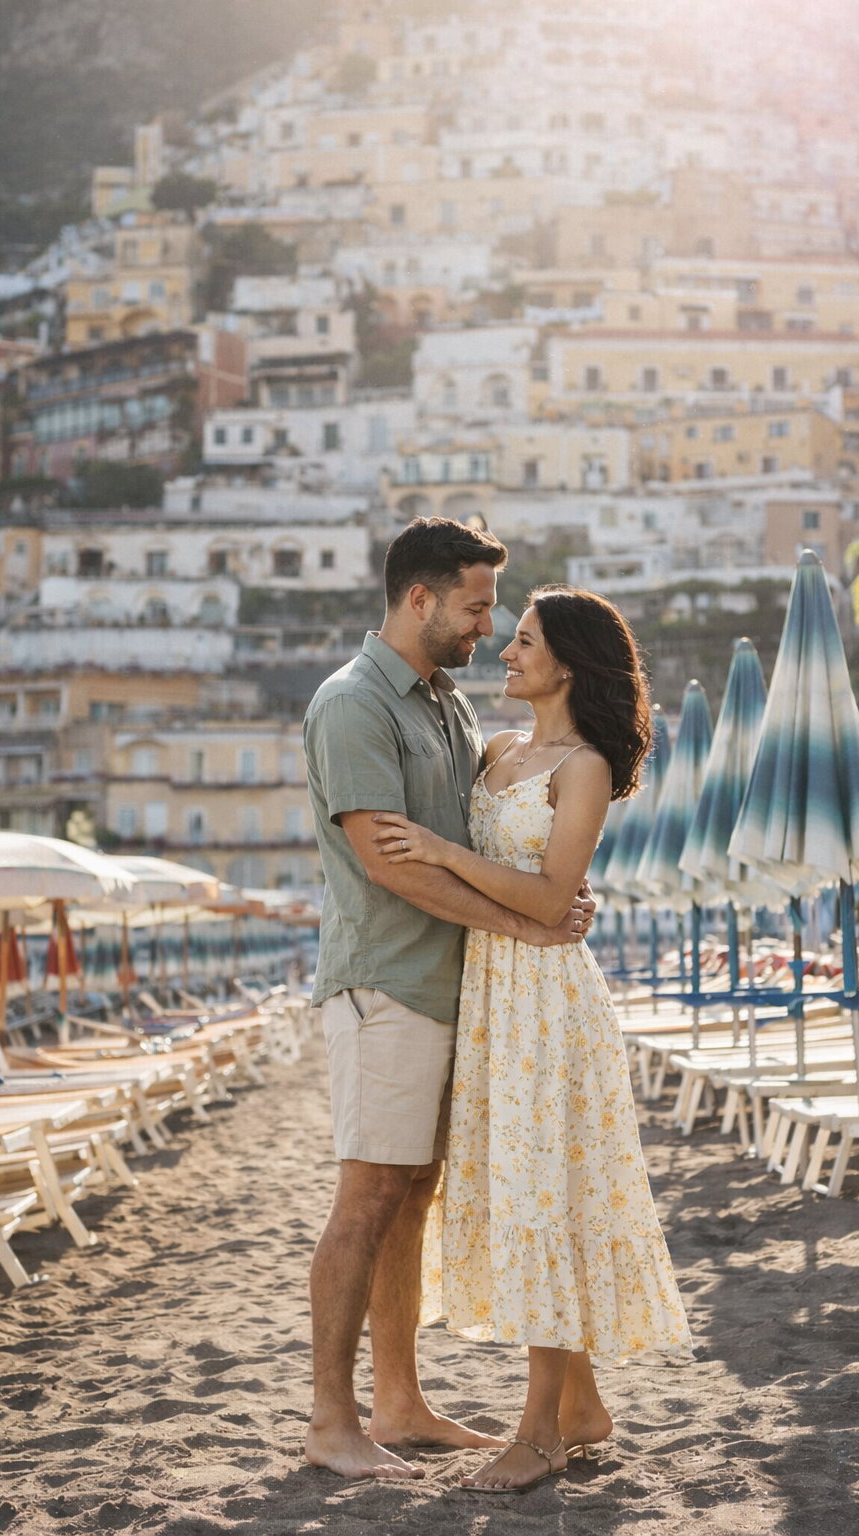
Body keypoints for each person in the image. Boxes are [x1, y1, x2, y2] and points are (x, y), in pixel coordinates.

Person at [372, 585, 694, 1493]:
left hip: (548, 1001)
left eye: (523, 641)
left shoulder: (583, 765)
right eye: (508, 638)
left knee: (543, 1200)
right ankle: (582, 1406)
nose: (505, 652)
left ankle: (540, 1435)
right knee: (527, 1192)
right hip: (493, 994)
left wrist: (442, 855)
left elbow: (554, 898)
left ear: (567, 662)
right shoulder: (501, 750)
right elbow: (530, 887)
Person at [302, 521, 595, 1481]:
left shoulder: (447, 705)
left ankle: (400, 1400)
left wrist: (550, 897)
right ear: (419, 598)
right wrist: (527, 924)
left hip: (458, 990)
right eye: (475, 607)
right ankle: (333, 1423)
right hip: (388, 981)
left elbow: (498, 836)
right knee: (367, 1194)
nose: (488, 626)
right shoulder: (353, 706)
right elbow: (396, 868)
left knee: (413, 1193)